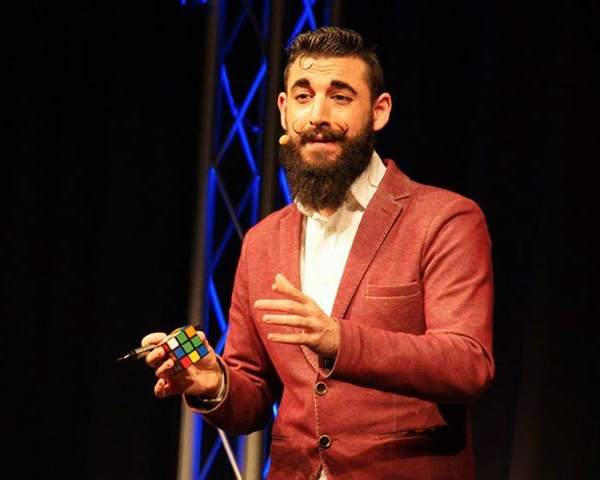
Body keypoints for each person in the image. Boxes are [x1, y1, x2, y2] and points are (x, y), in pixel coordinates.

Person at [142, 26, 494, 480]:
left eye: (340, 97)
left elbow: (468, 364)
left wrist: (339, 340)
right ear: (284, 110)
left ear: (379, 111)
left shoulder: (443, 219)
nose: (318, 115)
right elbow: (254, 395)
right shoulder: (262, 241)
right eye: (304, 97)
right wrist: (215, 383)